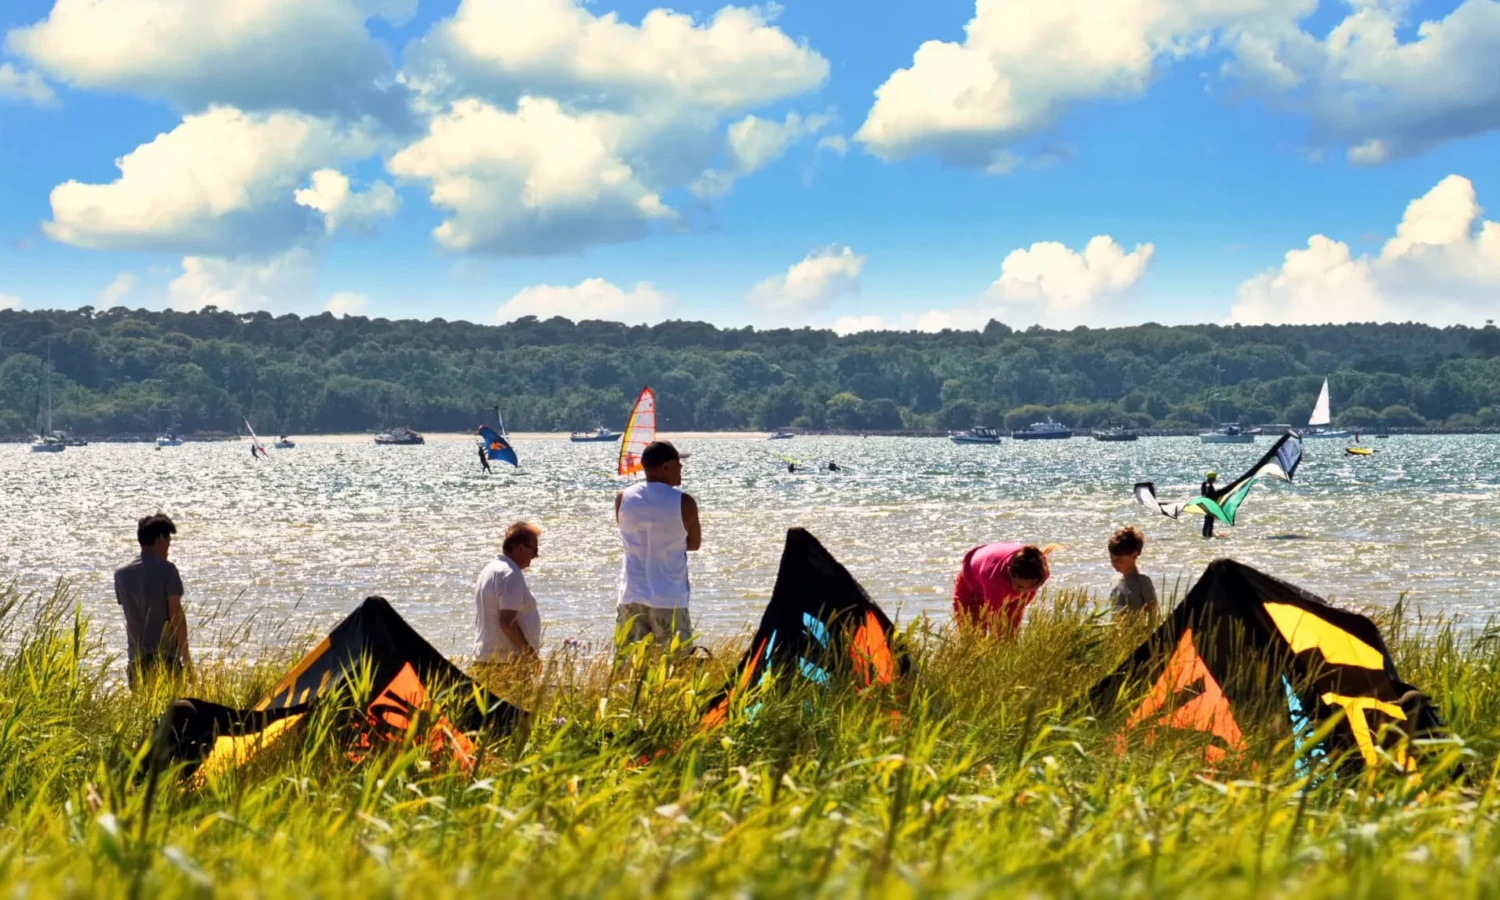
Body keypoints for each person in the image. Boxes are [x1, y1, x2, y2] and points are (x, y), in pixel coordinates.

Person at [615, 441, 701, 650]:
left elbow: (629, 534)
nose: (681, 468)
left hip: (631, 594)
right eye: (678, 464)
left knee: (630, 667)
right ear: (665, 467)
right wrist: (669, 544)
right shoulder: (684, 502)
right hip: (669, 596)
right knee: (676, 668)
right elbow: (694, 543)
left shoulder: (622, 498)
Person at [114, 514, 192, 688]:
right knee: (171, 712)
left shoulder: (121, 575)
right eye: (168, 542)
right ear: (159, 540)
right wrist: (186, 657)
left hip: (136, 660)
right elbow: (175, 614)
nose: (168, 549)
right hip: (165, 660)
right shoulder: (168, 570)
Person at [473, 521, 542, 664]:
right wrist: (530, 655)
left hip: (485, 657)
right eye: (534, 550)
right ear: (520, 547)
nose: (535, 556)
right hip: (507, 662)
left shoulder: (490, 570)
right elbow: (507, 621)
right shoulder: (511, 574)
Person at [952, 542, 1051, 635]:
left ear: (1038, 584)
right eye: (1016, 584)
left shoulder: (1040, 570)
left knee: (1009, 636)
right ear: (1009, 572)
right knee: (974, 639)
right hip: (970, 588)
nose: (1015, 589)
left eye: (1021, 587)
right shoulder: (995, 579)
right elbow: (994, 622)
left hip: (996, 582)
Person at [1106, 525, 1158, 616]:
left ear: (1134, 556)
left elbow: (1152, 614)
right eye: (1112, 559)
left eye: (1119, 560)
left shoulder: (1142, 581)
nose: (1114, 563)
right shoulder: (1115, 579)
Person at [1200, 471, 1218, 539]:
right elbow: (1208, 494)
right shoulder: (1209, 485)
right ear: (1212, 478)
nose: (1215, 479)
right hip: (1209, 505)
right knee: (1210, 522)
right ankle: (1209, 535)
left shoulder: (1204, 484)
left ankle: (1205, 535)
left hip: (1205, 505)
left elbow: (1204, 494)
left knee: (1206, 521)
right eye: (1215, 478)